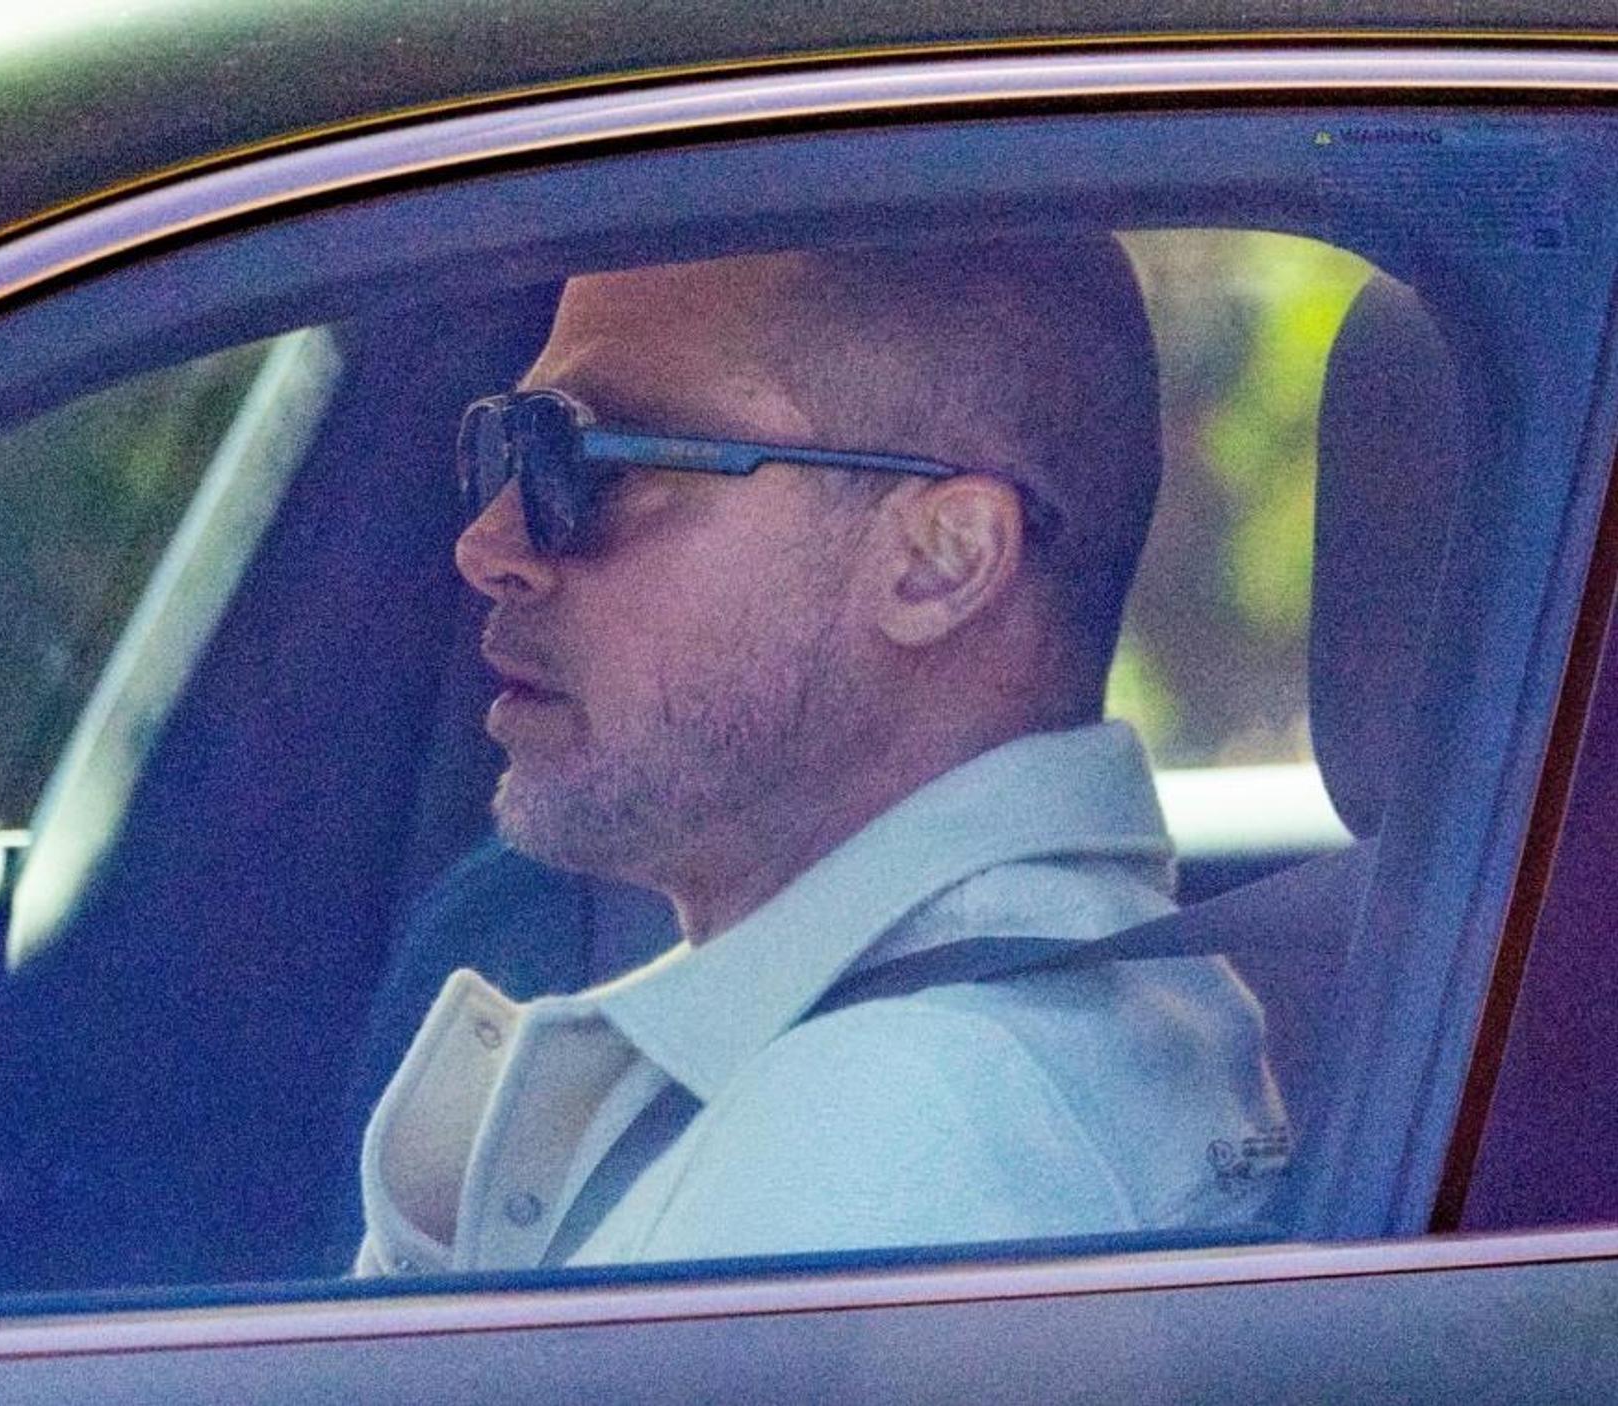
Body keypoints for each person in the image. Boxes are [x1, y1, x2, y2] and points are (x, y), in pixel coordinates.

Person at [356, 240, 1286, 1275]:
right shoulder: (1035, 1031)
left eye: (583, 460)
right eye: (506, 445)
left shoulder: (900, 1131)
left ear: (939, 561)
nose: (488, 547)